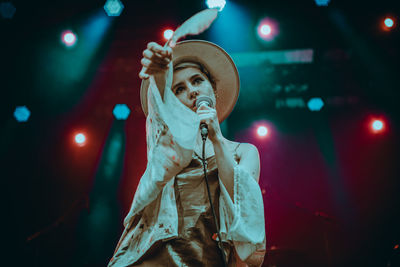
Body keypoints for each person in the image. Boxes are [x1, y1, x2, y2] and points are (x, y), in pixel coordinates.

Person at [108, 40, 266, 267]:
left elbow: (243, 206)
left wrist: (216, 139)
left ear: (213, 88)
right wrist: (159, 74)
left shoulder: (244, 152)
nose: (192, 91)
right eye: (179, 89)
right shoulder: (168, 147)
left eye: (197, 81)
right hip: (154, 259)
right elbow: (159, 108)